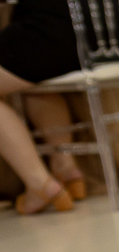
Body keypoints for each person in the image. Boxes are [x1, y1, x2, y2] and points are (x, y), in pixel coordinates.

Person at [0, 0, 84, 214]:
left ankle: (39, 184)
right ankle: (65, 167)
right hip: (100, 32)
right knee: (32, 78)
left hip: (51, 30)